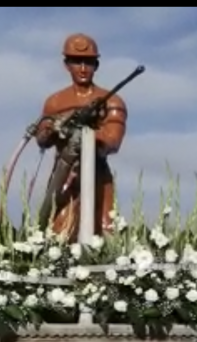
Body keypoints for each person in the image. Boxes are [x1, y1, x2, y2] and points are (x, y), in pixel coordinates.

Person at [35, 33, 127, 240]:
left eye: (89, 62)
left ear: (97, 65)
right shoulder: (55, 102)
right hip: (63, 174)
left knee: (104, 230)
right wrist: (52, 130)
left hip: (97, 175)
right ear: (67, 65)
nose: (83, 68)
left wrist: (88, 134)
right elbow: (42, 138)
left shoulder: (111, 101)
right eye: (77, 62)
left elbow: (113, 140)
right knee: (57, 232)